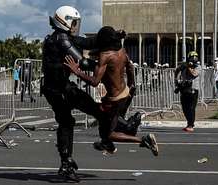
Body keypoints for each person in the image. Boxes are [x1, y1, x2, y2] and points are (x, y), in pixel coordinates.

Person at [65, 26, 159, 157]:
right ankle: (107, 143)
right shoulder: (122, 51)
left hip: (114, 100)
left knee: (110, 132)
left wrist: (77, 72)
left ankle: (143, 140)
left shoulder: (105, 56)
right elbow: (130, 68)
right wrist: (131, 85)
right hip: (124, 92)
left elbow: (95, 82)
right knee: (104, 120)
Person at [174, 51, 201, 132]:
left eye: (195, 57)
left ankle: (191, 125)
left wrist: (189, 67)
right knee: (185, 108)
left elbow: (194, 74)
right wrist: (176, 81)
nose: (194, 59)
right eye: (192, 57)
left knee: (191, 108)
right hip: (184, 89)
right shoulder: (184, 65)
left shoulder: (198, 66)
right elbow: (177, 70)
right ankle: (188, 123)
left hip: (193, 89)